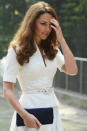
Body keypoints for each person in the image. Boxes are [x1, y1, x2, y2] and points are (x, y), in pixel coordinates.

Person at [2, 1, 78, 131]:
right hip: (28, 112)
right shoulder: (16, 51)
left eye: (50, 25)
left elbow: (72, 70)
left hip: (51, 110)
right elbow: (7, 90)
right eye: (43, 24)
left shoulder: (53, 49)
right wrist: (25, 115)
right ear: (32, 23)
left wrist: (61, 39)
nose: (47, 29)